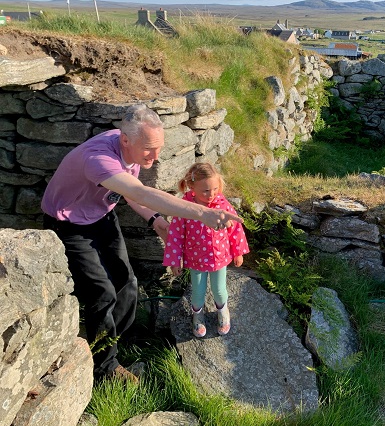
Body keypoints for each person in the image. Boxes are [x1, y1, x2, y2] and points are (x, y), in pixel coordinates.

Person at [41, 104, 242, 382]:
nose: (156, 156)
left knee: (127, 283)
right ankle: (105, 369)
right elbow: (139, 191)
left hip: (101, 216)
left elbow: (129, 192)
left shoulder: (130, 145)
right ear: (125, 140)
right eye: (149, 148)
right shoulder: (97, 158)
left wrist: (157, 222)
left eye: (159, 147)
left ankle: (117, 339)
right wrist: (203, 213)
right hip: (69, 224)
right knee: (102, 293)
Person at [163, 162, 249, 338]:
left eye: (215, 189)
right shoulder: (185, 208)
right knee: (198, 291)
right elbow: (175, 235)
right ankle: (197, 315)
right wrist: (174, 260)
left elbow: (235, 228)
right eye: (205, 191)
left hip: (220, 257)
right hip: (197, 259)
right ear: (192, 186)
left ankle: (223, 312)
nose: (211, 195)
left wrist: (238, 251)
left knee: (219, 289)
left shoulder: (222, 204)